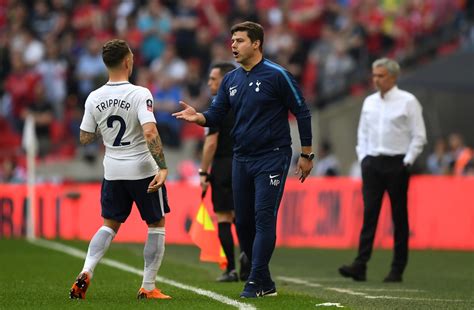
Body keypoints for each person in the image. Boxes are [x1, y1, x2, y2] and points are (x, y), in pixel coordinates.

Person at [173, 21, 314, 298]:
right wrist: (198, 116)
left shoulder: (278, 75)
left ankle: (254, 280)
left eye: (239, 40)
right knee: (244, 223)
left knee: (263, 218)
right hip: (242, 157)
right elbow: (215, 115)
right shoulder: (231, 80)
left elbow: (303, 112)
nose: (233, 45)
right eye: (232, 40)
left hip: (272, 156)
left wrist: (306, 153)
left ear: (256, 43)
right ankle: (266, 281)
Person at [70, 39, 171, 300]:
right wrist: (162, 166)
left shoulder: (94, 97)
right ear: (127, 61)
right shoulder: (140, 93)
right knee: (156, 223)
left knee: (109, 225)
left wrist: (104, 126)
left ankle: (86, 270)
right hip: (143, 170)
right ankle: (148, 287)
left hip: (113, 171)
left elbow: (84, 137)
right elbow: (149, 131)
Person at [339, 58, 427, 283]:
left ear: (393, 77)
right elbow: (362, 133)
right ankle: (360, 264)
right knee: (369, 214)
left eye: (381, 76)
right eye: (374, 75)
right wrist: (364, 158)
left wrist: (407, 161)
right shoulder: (369, 102)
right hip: (372, 163)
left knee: (399, 217)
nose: (376, 80)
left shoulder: (408, 101)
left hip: (397, 162)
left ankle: (397, 268)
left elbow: (419, 136)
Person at [198, 62, 250, 283]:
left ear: (225, 80)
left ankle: (230, 268)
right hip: (245, 163)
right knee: (243, 217)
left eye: (213, 79)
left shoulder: (219, 105)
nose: (210, 82)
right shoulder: (245, 102)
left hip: (222, 166)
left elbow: (211, 142)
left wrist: (203, 171)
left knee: (223, 217)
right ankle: (248, 261)